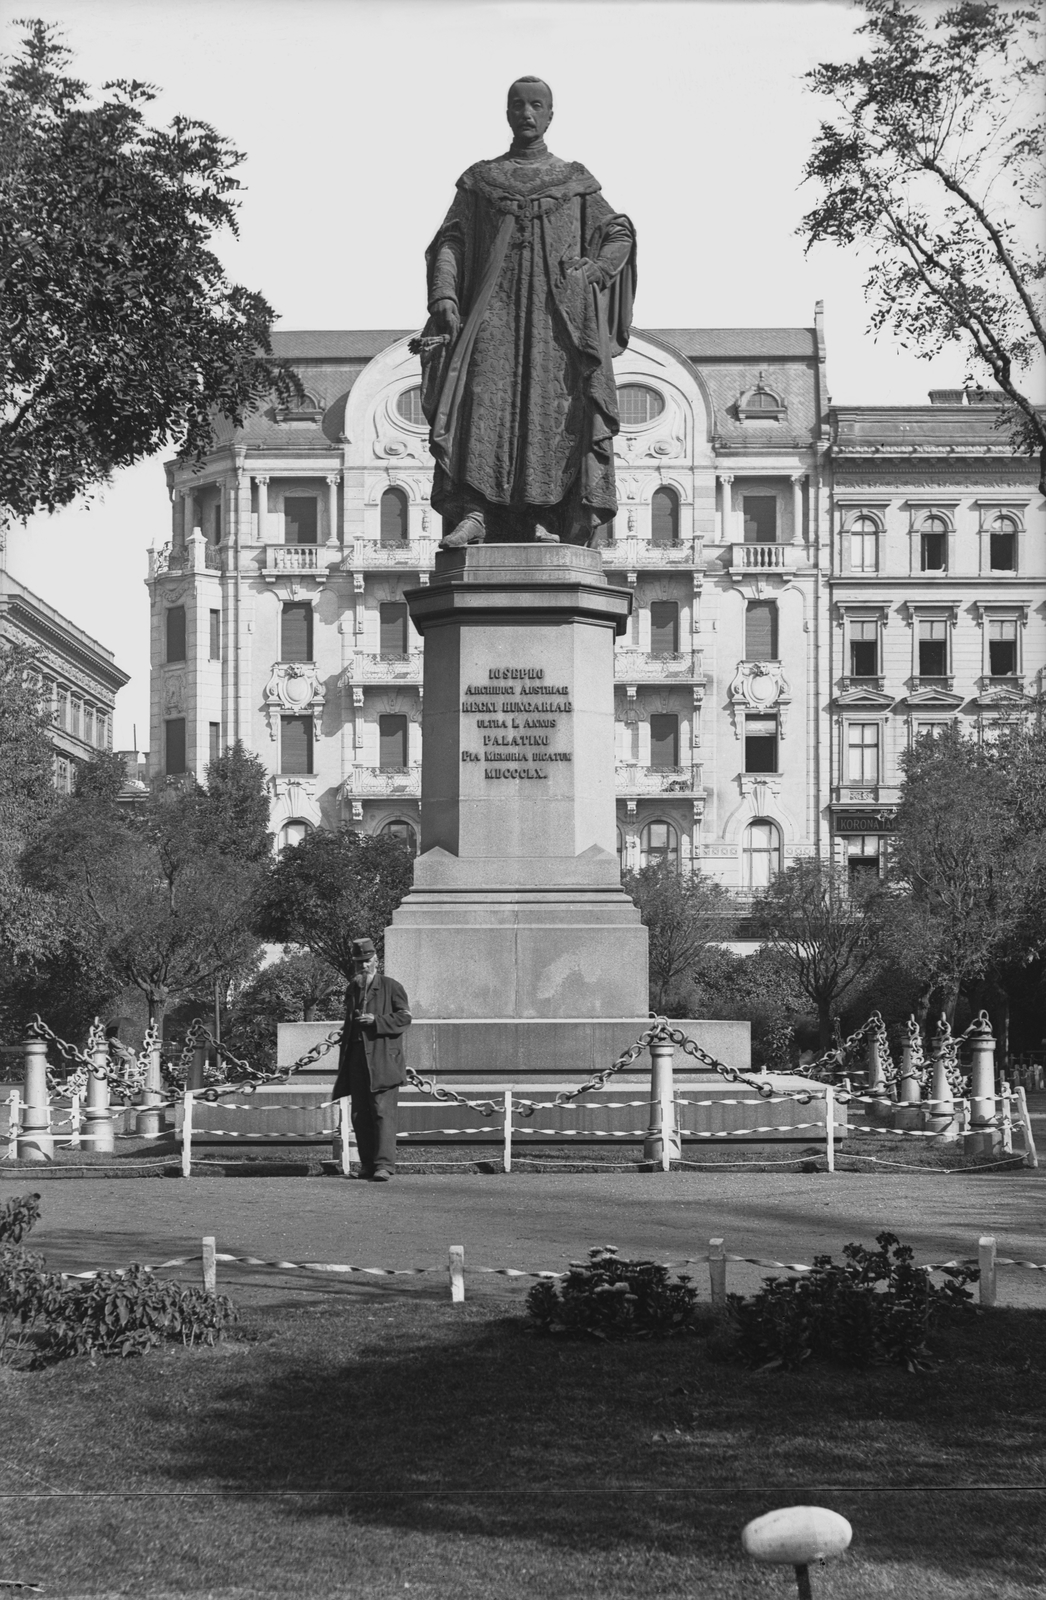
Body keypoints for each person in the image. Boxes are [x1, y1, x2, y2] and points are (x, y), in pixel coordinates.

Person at [417, 75, 636, 549]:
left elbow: (618, 231)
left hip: (557, 320)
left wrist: (596, 270)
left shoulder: (574, 181)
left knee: (553, 410)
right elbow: (450, 239)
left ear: (551, 114)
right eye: (518, 104)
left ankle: (546, 517)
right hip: (491, 314)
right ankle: (475, 513)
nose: (527, 113)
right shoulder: (481, 180)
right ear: (507, 112)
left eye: (537, 105)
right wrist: (444, 295)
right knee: (480, 400)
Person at [331, 938, 412, 1181]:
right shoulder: (352, 988)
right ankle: (367, 1164)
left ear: (376, 960)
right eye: (358, 963)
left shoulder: (391, 986)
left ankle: (384, 1166)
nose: (363, 966)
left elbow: (405, 1018)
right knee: (360, 1114)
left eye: (366, 961)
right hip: (356, 1060)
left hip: (383, 1060)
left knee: (382, 1113)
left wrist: (377, 1022)